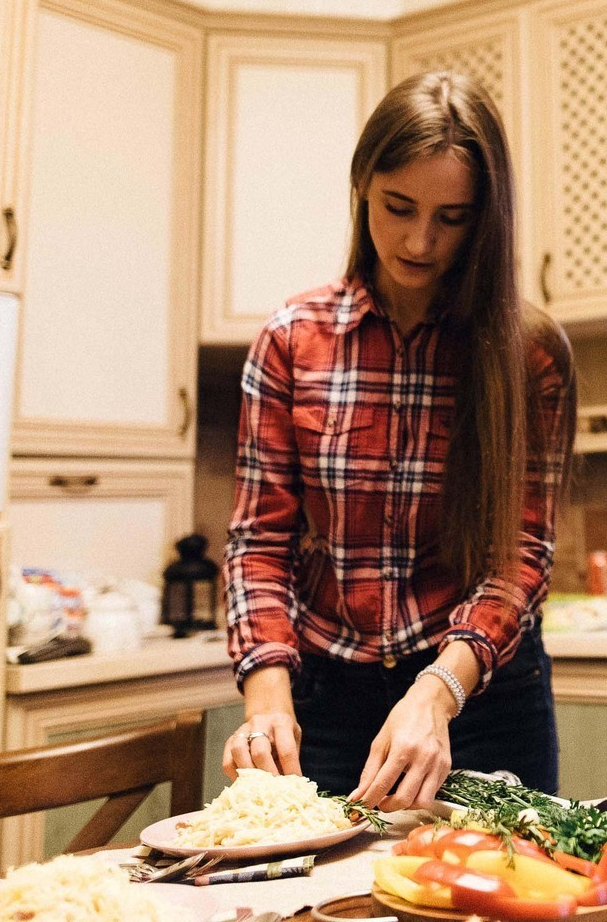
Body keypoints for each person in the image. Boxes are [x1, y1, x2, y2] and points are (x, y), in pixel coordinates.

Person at [220, 71, 575, 810]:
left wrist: (438, 690)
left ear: (486, 217)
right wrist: (266, 696)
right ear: (362, 186)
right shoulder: (292, 340)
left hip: (479, 695)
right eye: (399, 206)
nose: (420, 240)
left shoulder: (527, 353)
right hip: (325, 699)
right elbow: (259, 543)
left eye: (452, 217)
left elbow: (519, 557)